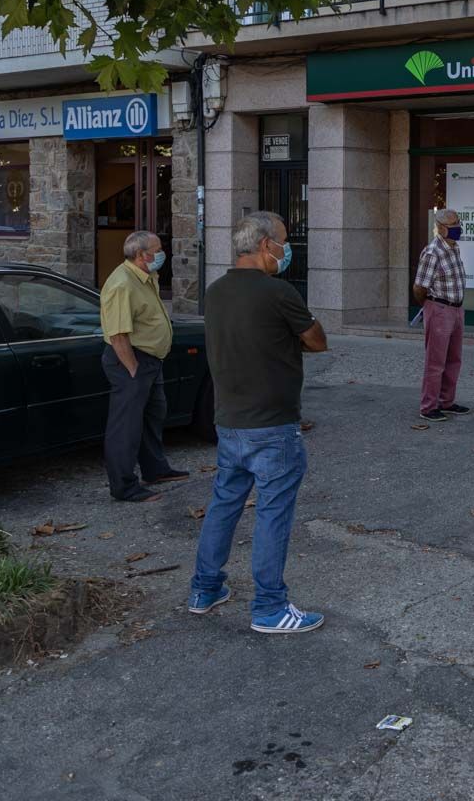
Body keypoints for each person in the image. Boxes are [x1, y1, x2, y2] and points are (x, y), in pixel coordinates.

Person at [188, 211, 328, 633]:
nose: (287, 251)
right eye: (284, 242)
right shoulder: (278, 292)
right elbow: (317, 340)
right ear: (267, 245)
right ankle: (269, 607)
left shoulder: (215, 292)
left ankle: (205, 587)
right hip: (272, 423)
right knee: (273, 512)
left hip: (229, 420)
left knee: (224, 504)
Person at [100, 230, 186, 503]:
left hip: (150, 360)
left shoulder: (146, 276)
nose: (163, 254)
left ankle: (155, 469)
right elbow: (117, 335)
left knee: (152, 416)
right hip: (131, 361)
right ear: (141, 255)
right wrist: (133, 369)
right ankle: (124, 487)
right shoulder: (122, 284)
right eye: (158, 249)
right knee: (126, 426)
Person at [414, 208, 472, 422]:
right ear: (440, 228)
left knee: (454, 359)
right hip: (439, 309)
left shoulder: (453, 248)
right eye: (453, 225)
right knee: (435, 361)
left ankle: (447, 402)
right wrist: (432, 307)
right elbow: (419, 287)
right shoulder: (432, 252)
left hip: (456, 308)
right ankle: (428, 406)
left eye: (458, 223)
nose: (458, 228)